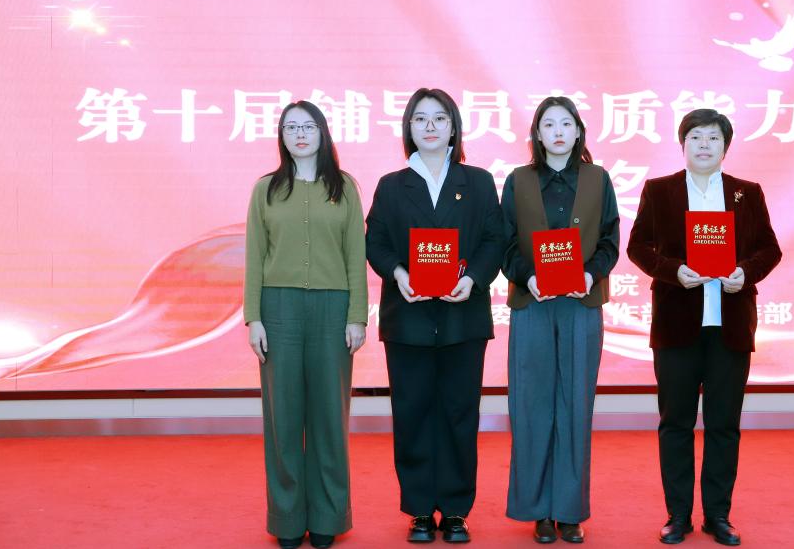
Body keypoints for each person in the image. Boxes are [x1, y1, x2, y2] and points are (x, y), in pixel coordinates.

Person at [626, 109, 781, 546]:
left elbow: (770, 249)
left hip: (729, 326)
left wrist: (744, 273)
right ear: (683, 144)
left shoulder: (747, 193)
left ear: (725, 146)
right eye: (696, 137)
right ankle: (677, 516)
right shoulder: (660, 190)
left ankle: (718, 516)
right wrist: (673, 271)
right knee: (675, 423)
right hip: (676, 325)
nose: (704, 145)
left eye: (713, 138)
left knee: (723, 424)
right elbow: (638, 247)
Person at [365, 88, 504, 543]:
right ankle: (420, 510)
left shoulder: (478, 182)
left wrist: (474, 279)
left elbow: (494, 240)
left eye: (439, 118)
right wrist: (398, 272)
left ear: (453, 127)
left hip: (464, 318)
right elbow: (375, 242)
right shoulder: (391, 185)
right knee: (412, 413)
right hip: (408, 319)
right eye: (420, 118)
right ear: (408, 128)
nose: (429, 126)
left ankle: (457, 510)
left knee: (460, 414)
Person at [244, 100, 369, 549]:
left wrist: (357, 316)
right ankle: (287, 519)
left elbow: (356, 255)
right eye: (291, 127)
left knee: (329, 419)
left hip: (333, 310)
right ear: (281, 136)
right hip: (278, 310)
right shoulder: (266, 189)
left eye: (308, 126)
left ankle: (328, 516)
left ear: (322, 133)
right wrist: (253, 318)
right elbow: (255, 255)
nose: (300, 134)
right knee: (283, 418)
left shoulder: (345, 188)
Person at [499, 96, 619, 544]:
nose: (558, 132)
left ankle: (569, 511)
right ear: (537, 133)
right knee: (531, 406)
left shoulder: (597, 178)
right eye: (548, 124)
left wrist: (590, 274)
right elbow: (505, 241)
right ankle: (538, 512)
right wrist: (527, 277)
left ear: (578, 131)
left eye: (566, 123)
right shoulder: (518, 180)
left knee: (574, 406)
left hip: (580, 304)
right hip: (532, 303)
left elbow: (610, 239)